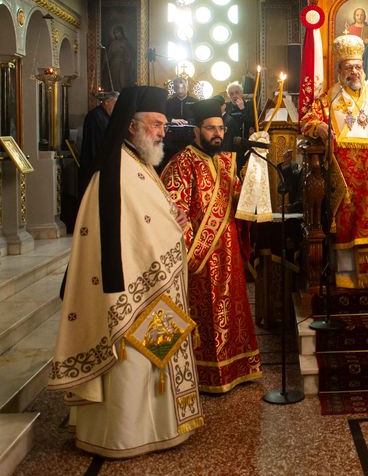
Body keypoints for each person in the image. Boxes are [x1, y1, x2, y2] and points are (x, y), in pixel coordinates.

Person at [49, 86, 204, 458]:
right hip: (128, 290)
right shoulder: (115, 170)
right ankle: (125, 436)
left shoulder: (140, 163)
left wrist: (175, 217)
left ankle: (156, 428)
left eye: (163, 125)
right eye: (156, 124)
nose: (162, 132)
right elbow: (124, 232)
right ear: (132, 126)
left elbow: (152, 217)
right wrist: (170, 229)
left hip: (148, 283)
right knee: (132, 365)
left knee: (150, 363)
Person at [160, 97, 262, 393]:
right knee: (207, 315)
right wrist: (191, 251)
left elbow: (239, 203)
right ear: (197, 130)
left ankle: (238, 366)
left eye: (220, 128)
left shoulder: (227, 162)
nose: (217, 134)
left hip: (230, 254)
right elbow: (173, 211)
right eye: (210, 128)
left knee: (232, 311)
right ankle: (203, 375)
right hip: (201, 260)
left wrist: (253, 179)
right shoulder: (182, 163)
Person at [300, 34, 368, 290]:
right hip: (345, 179)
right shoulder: (329, 99)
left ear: (363, 67)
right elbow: (305, 122)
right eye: (348, 68)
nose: (354, 72)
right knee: (348, 225)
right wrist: (318, 127)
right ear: (339, 70)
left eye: (358, 67)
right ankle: (348, 279)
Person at [78, 90, 118, 194]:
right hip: (94, 163)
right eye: (115, 104)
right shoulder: (95, 116)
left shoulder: (105, 116)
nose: (116, 108)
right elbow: (94, 143)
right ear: (106, 102)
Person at [163, 77, 198, 168]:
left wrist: (188, 121)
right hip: (172, 138)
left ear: (187, 87)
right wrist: (172, 120)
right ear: (174, 88)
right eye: (177, 87)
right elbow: (162, 117)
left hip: (190, 137)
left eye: (183, 87)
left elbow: (199, 118)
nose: (180, 90)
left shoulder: (195, 102)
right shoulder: (168, 102)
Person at [343, 8, 368, 82]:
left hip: (367, 58)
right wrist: (347, 31)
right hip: (354, 58)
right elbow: (345, 43)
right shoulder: (351, 28)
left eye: (361, 15)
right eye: (357, 15)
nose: (359, 17)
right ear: (354, 16)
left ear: (364, 16)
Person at [223, 80, 256, 158]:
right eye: (231, 94)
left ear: (241, 93)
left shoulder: (249, 105)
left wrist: (243, 109)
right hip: (229, 142)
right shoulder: (227, 106)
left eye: (237, 92)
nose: (234, 95)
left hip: (243, 140)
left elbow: (251, 123)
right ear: (229, 96)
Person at [106, 25, 133, 91]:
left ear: (121, 32)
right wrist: (107, 61)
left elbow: (129, 55)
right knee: (115, 81)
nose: (117, 34)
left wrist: (125, 50)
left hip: (123, 64)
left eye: (118, 32)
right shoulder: (113, 43)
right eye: (115, 33)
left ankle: (123, 93)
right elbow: (109, 55)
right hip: (114, 65)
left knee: (122, 80)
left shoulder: (125, 42)